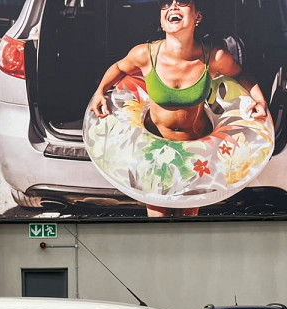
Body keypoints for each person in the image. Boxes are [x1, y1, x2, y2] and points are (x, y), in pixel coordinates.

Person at [89, 0, 269, 218]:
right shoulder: (145, 54)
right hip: (153, 150)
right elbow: (119, 67)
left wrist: (259, 100)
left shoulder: (213, 57)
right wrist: (100, 91)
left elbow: (240, 74)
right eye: (165, 4)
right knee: (158, 218)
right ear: (161, 20)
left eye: (182, 2)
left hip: (196, 151)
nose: (173, 6)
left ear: (197, 17)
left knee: (187, 218)